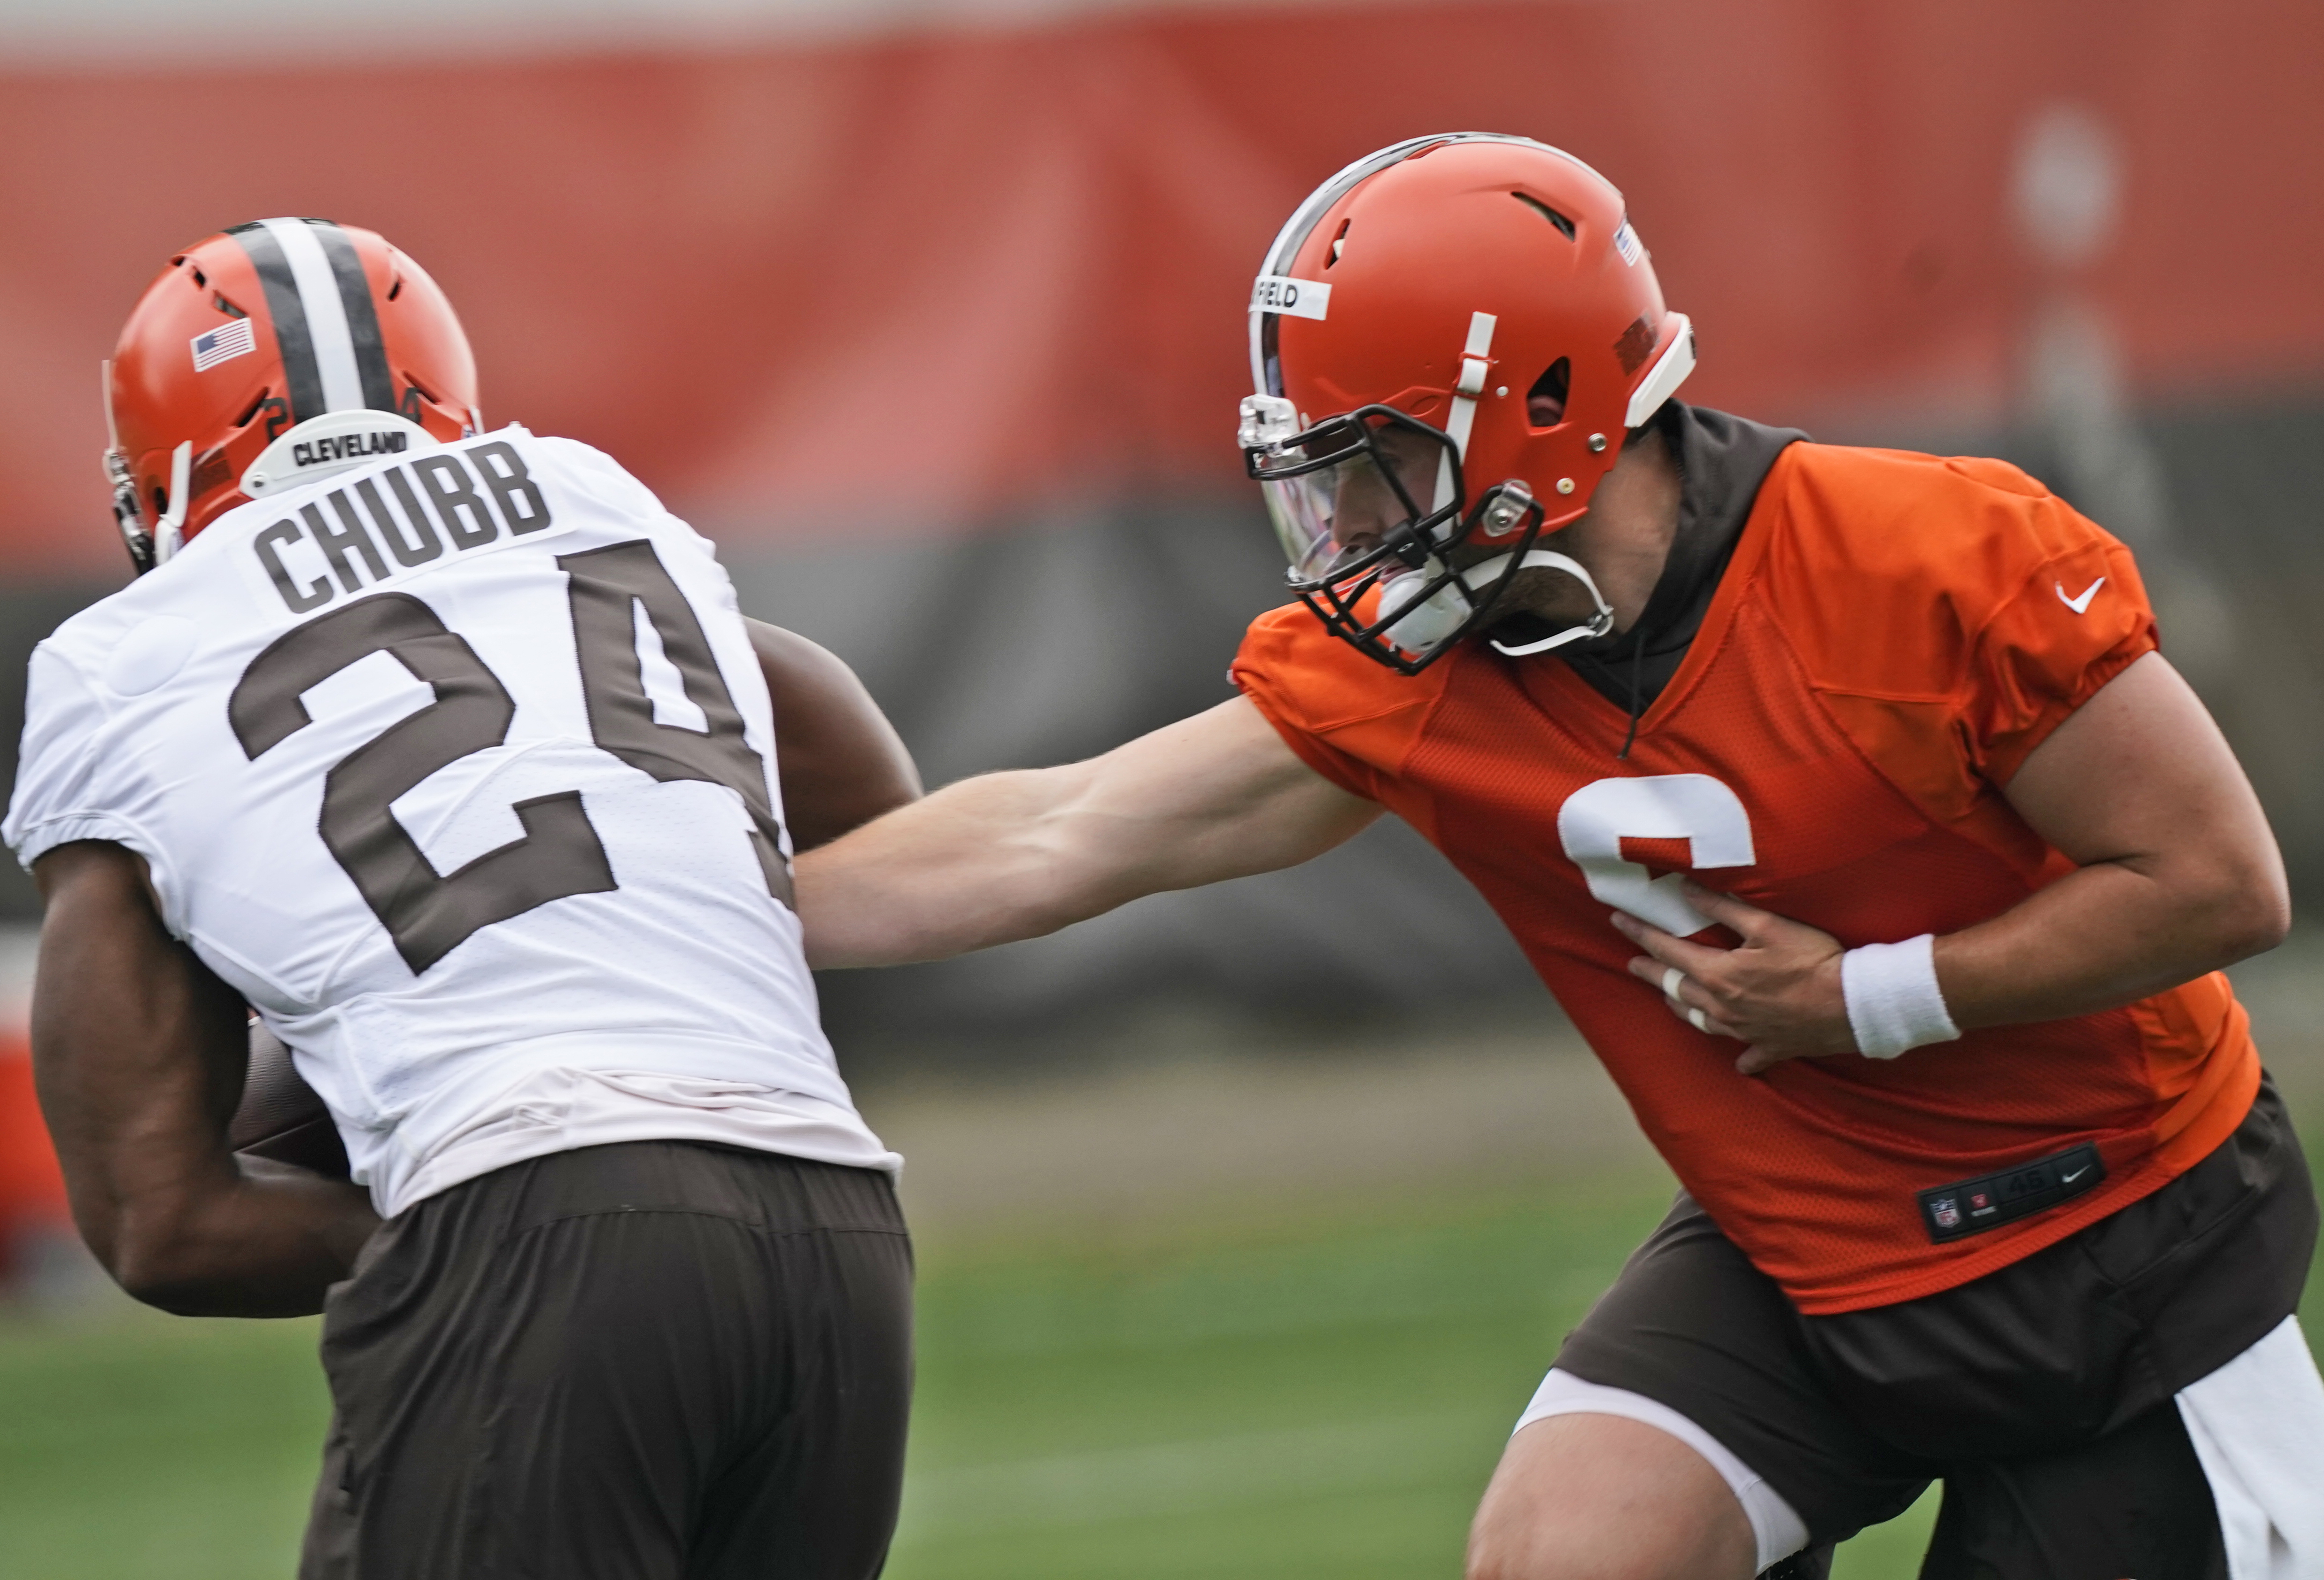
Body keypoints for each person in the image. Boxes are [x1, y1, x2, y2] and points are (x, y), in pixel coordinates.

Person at [794, 137, 2324, 1578]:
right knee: (1566, 1549)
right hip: (1802, 1247)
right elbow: (1062, 831)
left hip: (2116, 1252)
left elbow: (2217, 880)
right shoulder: (1423, 663)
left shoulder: (1924, 560)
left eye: (1380, 459)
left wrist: (1868, 997)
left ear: (1535, 410)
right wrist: (707, 901)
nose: (1342, 518)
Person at [6, 218, 924, 1580]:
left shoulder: (123, 660)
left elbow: (161, 1222)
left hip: (535, 1238)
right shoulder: (594, 498)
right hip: (837, 1232)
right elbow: (863, 785)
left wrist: (453, 1200)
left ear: (167, 467)